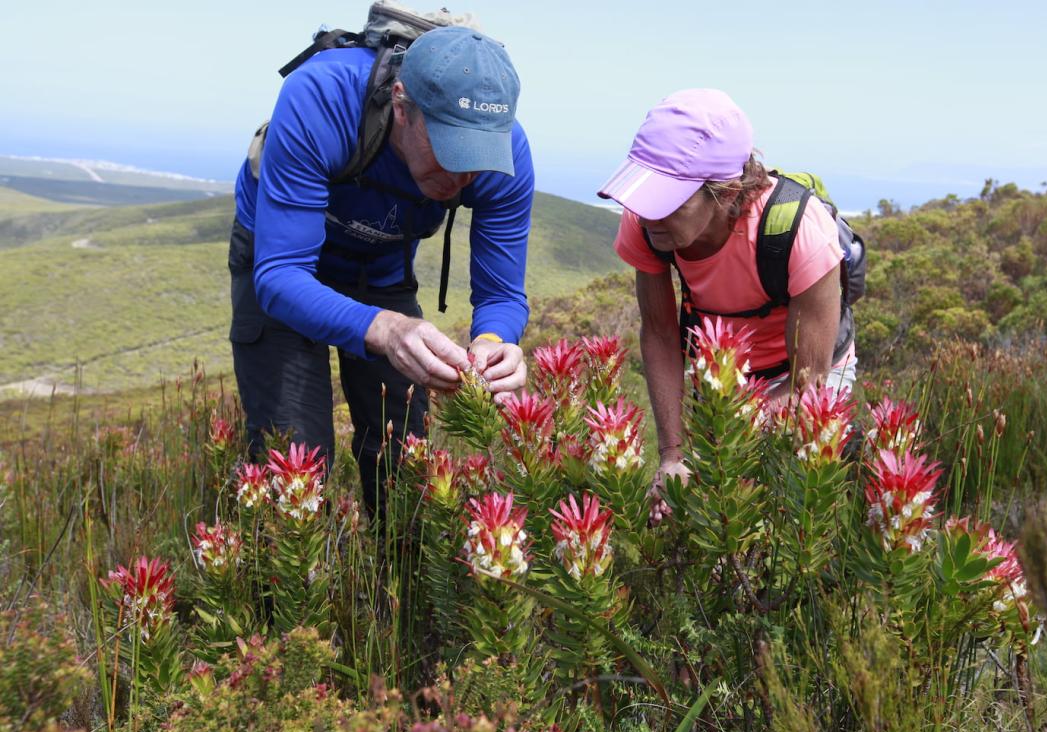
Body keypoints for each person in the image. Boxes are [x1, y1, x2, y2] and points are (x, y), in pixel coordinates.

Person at [228, 25, 534, 508]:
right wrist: (388, 330)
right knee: (294, 461)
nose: (461, 178)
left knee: (403, 457)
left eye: (476, 158)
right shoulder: (321, 96)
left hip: (380, 266)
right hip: (281, 261)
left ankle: (401, 580)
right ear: (400, 104)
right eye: (450, 151)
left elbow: (501, 294)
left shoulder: (508, 156)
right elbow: (281, 274)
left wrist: (494, 343)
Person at [596, 88, 856, 493]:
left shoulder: (800, 231)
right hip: (719, 374)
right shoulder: (646, 221)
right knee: (710, 502)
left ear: (727, 192)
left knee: (783, 498)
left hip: (798, 371)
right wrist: (673, 455)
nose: (648, 217)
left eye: (667, 202)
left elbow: (808, 378)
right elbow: (662, 333)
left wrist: (726, 441)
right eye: (645, 196)